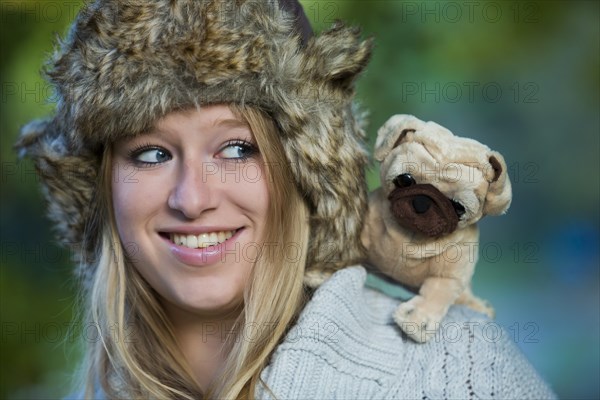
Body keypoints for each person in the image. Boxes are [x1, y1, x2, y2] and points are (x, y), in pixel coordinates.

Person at [15, 0, 557, 399]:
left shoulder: (453, 367)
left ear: (301, 173)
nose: (192, 198)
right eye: (152, 154)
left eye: (236, 147)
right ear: (105, 192)